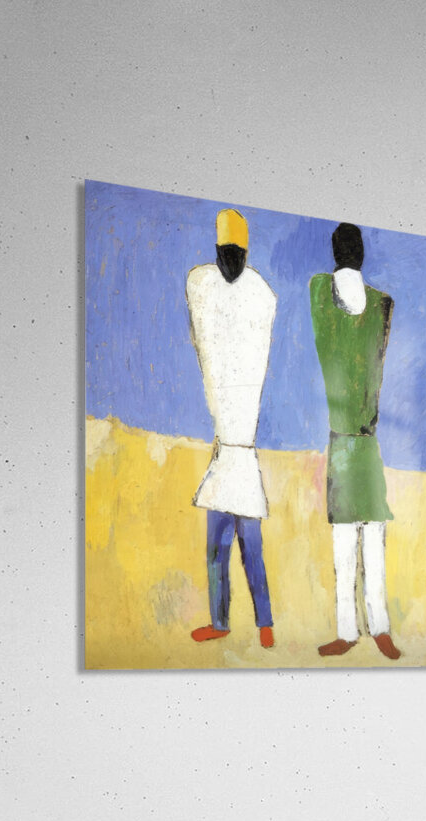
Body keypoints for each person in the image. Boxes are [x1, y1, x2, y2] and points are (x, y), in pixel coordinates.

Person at [309, 223, 401, 660]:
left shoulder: (320, 294)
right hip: (358, 445)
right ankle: (371, 628)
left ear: (335, 253)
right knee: (365, 544)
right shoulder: (381, 305)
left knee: (349, 546)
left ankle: (359, 630)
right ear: (362, 253)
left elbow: (325, 284)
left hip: (352, 447)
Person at [186, 209, 276, 648]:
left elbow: (200, 287)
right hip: (230, 452)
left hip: (237, 452)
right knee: (220, 548)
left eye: (233, 253)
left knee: (247, 548)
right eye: (225, 253)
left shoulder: (256, 294)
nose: (228, 260)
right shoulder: (254, 293)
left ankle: (264, 623)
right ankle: (228, 623)